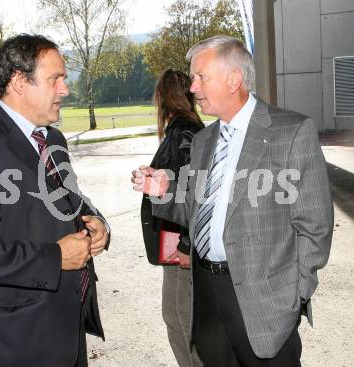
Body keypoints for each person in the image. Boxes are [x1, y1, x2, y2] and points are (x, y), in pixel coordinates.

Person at [132, 35, 333, 366]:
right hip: (208, 299)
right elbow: (196, 211)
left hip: (264, 304)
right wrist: (163, 191)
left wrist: (295, 296)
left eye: (200, 77)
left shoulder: (291, 132)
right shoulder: (203, 140)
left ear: (233, 79)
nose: (193, 88)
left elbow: (316, 226)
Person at [0, 34, 109, 367]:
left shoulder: (52, 138)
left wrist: (97, 222)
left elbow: (70, 199)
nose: (65, 89)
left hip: (65, 329)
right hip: (11, 342)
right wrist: (55, 256)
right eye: (55, 79)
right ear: (18, 81)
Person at [140, 68, 204, 367]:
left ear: (164, 97)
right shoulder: (186, 129)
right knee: (179, 319)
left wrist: (187, 244)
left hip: (180, 246)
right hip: (177, 241)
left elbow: (198, 195)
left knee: (183, 322)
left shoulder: (185, 133)